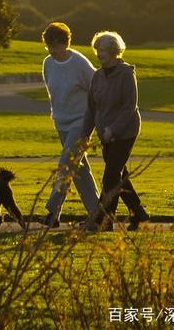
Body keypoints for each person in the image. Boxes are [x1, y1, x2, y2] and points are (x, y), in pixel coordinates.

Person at [82, 31, 150, 232]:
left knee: (110, 176)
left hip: (125, 132)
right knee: (119, 177)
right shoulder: (97, 76)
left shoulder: (126, 73)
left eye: (102, 50)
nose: (99, 54)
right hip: (105, 134)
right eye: (97, 50)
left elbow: (129, 107)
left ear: (113, 51)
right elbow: (91, 109)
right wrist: (85, 134)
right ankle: (138, 213)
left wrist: (114, 129)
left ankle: (103, 220)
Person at [40, 22, 100, 228]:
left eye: (55, 46)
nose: (51, 51)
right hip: (61, 122)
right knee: (79, 170)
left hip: (81, 122)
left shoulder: (80, 64)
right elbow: (52, 92)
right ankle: (98, 216)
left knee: (66, 163)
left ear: (65, 44)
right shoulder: (48, 63)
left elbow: (97, 89)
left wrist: (93, 120)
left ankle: (52, 209)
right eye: (48, 46)